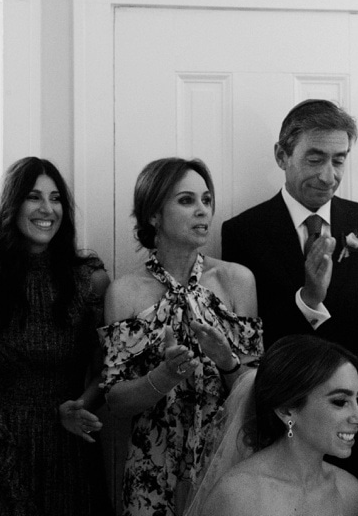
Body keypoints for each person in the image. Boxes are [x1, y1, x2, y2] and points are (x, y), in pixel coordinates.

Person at [221, 99, 358, 428]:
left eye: (339, 161)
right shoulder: (243, 233)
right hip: (284, 416)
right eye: (315, 159)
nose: (329, 176)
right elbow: (250, 347)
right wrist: (309, 299)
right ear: (282, 156)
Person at [100, 157, 264, 516]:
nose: (203, 211)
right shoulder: (124, 293)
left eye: (207, 200)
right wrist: (164, 377)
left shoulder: (237, 282)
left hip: (227, 461)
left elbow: (257, 395)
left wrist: (227, 361)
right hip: (151, 469)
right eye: (187, 201)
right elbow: (115, 402)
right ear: (154, 215)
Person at [0, 157, 112, 515]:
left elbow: (108, 369)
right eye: (34, 197)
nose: (47, 209)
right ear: (12, 205)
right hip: (2, 436)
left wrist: (82, 406)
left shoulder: (89, 278)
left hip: (68, 439)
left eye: (56, 198)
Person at [190, 334, 358, 516]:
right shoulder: (239, 496)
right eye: (340, 402)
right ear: (286, 410)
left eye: (357, 399)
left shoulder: (350, 492)